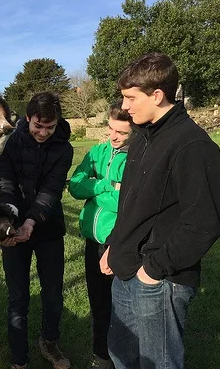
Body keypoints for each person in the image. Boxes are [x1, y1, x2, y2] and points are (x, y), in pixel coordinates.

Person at [101, 52, 220, 369]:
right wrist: (113, 245)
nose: (124, 106)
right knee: (122, 354)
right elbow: (130, 203)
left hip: (159, 280)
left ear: (157, 95)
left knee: (159, 363)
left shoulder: (193, 144)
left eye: (130, 98)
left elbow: (204, 224)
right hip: (124, 269)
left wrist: (153, 270)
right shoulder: (141, 138)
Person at [0, 92, 73, 369]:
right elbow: (4, 185)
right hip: (14, 229)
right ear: (28, 118)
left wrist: (32, 221)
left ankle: (49, 342)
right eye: (38, 126)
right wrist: (11, 223)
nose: (43, 133)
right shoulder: (8, 144)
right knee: (18, 297)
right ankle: (19, 357)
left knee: (53, 294)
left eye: (49, 128)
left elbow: (51, 189)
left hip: (48, 227)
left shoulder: (64, 148)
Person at [69, 100, 133, 369]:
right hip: (91, 239)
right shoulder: (96, 152)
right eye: (110, 129)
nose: (113, 137)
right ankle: (101, 356)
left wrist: (95, 192)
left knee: (122, 303)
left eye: (122, 132)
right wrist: (107, 186)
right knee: (98, 301)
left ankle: (124, 358)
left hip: (118, 239)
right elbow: (74, 186)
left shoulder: (137, 158)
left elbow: (128, 202)